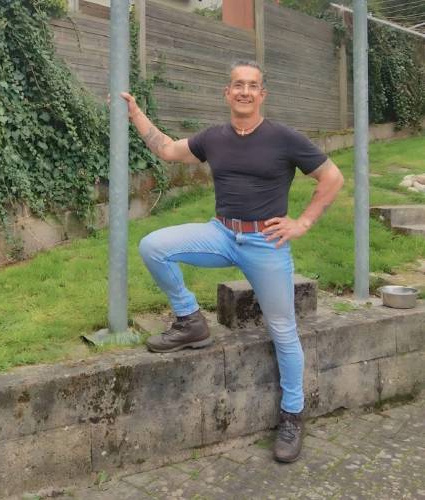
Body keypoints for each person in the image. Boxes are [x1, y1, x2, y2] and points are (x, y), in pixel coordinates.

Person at [121, 60, 344, 463]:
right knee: (153, 246)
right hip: (222, 234)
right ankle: (190, 320)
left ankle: (292, 415)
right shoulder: (214, 138)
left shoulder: (284, 138)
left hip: (266, 243)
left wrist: (303, 222)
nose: (244, 91)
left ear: (262, 94)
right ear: (227, 93)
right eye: (238, 85)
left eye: (252, 85)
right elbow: (167, 149)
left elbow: (332, 178)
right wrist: (136, 114)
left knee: (283, 330)